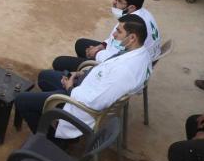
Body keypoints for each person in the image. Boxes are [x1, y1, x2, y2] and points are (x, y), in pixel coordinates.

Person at [14, 14, 151, 139]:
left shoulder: (125, 71)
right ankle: (53, 115)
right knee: (44, 77)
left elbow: (95, 102)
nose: (114, 35)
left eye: (119, 31)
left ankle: (53, 141)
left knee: (22, 100)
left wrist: (70, 88)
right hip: (84, 86)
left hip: (80, 103)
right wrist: (81, 74)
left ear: (132, 38)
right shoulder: (140, 53)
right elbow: (106, 72)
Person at [50, 0, 161, 72]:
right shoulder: (141, 13)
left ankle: (84, 77)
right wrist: (102, 46)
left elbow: (115, 59)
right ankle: (84, 70)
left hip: (120, 68)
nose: (113, 2)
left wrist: (97, 52)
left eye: (118, 0)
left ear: (131, 7)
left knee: (59, 62)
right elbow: (116, 42)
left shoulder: (131, 27)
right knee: (81, 44)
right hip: (134, 59)